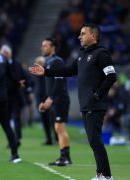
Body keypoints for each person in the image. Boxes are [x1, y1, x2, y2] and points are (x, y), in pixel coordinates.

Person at [29, 23, 116, 180]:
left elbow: (111, 77)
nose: (79, 36)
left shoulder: (101, 53)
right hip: (86, 104)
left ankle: (106, 176)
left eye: (83, 34)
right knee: (93, 141)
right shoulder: (82, 55)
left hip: (95, 104)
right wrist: (46, 72)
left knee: (95, 140)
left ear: (94, 36)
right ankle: (101, 174)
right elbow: (68, 71)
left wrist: (97, 94)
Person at [38, 38, 72, 166]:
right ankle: (64, 156)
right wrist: (48, 98)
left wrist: (50, 98)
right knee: (58, 128)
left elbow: (59, 82)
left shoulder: (57, 62)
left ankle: (66, 157)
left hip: (60, 99)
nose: (43, 48)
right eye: (42, 45)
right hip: (55, 99)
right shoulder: (49, 61)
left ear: (53, 48)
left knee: (60, 127)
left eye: (45, 45)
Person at [0, 44, 26, 147]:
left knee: (16, 117)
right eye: (3, 52)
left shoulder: (16, 64)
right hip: (4, 95)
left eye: (6, 52)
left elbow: (23, 77)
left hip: (15, 94)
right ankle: (11, 139)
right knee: (6, 118)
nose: (5, 54)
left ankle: (17, 138)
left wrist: (24, 86)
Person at [33, 56, 54, 145]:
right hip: (39, 99)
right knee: (44, 120)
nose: (37, 64)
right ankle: (48, 139)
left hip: (47, 99)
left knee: (51, 120)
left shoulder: (46, 73)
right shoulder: (36, 74)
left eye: (39, 63)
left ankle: (56, 138)